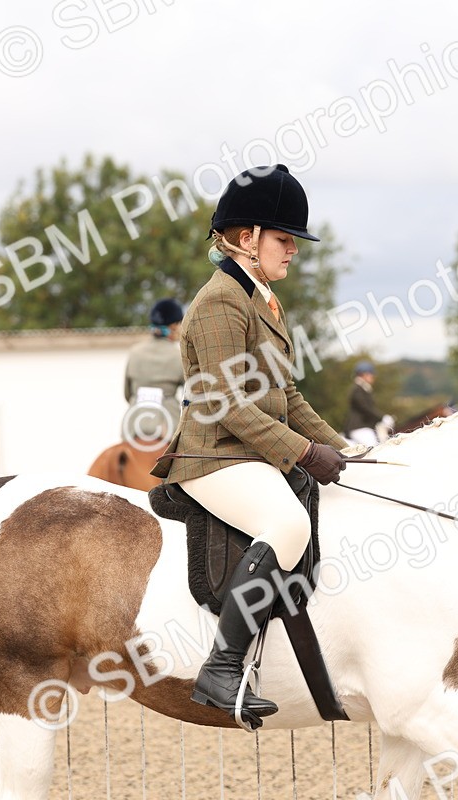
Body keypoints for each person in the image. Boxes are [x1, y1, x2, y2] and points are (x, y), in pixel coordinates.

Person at [152, 164, 349, 728]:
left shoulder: (263, 300)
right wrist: (306, 454)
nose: (293, 251)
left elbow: (285, 394)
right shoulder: (220, 302)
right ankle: (223, 667)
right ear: (247, 238)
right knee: (289, 527)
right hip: (213, 455)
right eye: (285, 239)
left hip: (247, 450)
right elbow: (226, 404)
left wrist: (347, 449)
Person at [122, 298, 185, 447]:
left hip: (132, 426)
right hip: (166, 427)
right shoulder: (179, 356)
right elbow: (188, 395)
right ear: (174, 326)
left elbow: (127, 392)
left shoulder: (134, 352)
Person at [343, 361, 394, 446]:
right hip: (359, 427)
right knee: (373, 447)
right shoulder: (357, 390)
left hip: (365, 427)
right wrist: (382, 418)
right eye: (371, 374)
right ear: (364, 374)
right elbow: (365, 408)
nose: (373, 377)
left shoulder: (364, 388)